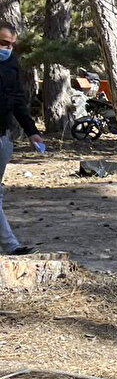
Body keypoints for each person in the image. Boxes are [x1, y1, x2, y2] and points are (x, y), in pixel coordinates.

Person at [0, 22, 44, 255]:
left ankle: (11, 246)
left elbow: (17, 100)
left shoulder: (11, 64)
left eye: (10, 45)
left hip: (3, 137)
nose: (6, 48)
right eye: (2, 43)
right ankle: (11, 245)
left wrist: (31, 131)